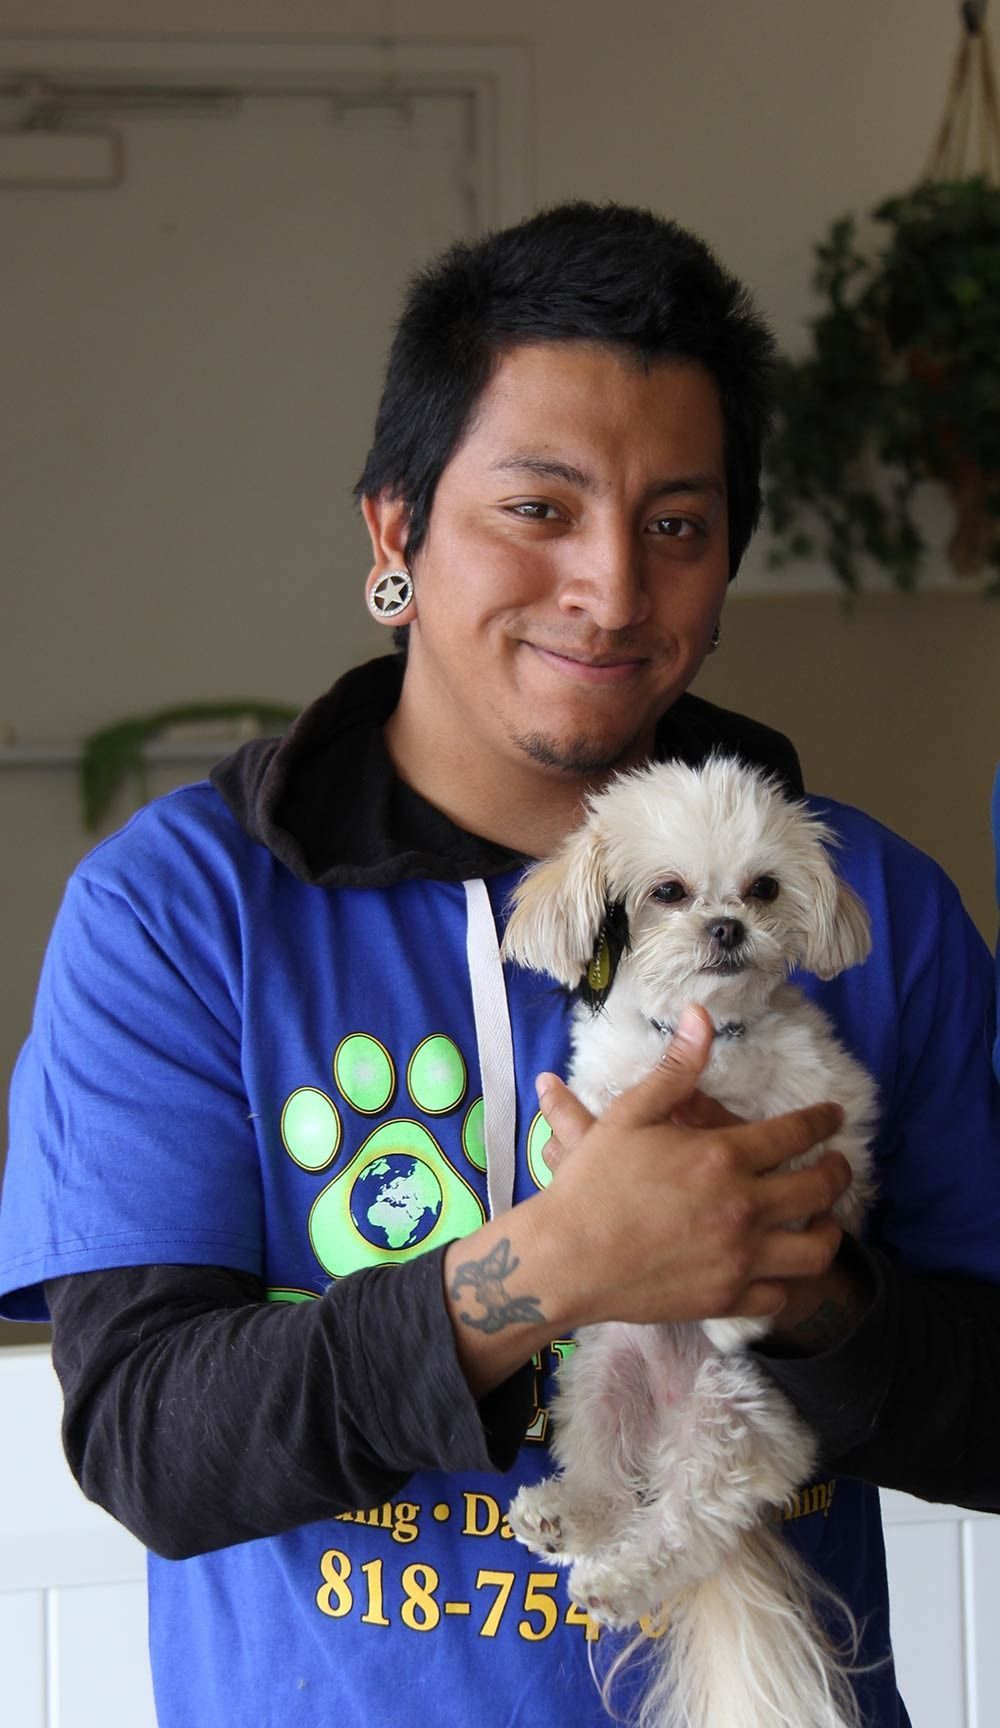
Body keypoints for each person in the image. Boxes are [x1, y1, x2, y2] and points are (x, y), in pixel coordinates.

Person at [1, 202, 999, 1728]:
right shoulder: (177, 915)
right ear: (393, 530)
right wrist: (544, 1274)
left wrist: (803, 1292)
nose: (611, 588)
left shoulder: (868, 907)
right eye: (539, 509)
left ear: (726, 564)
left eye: (677, 523)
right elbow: (149, 1440)